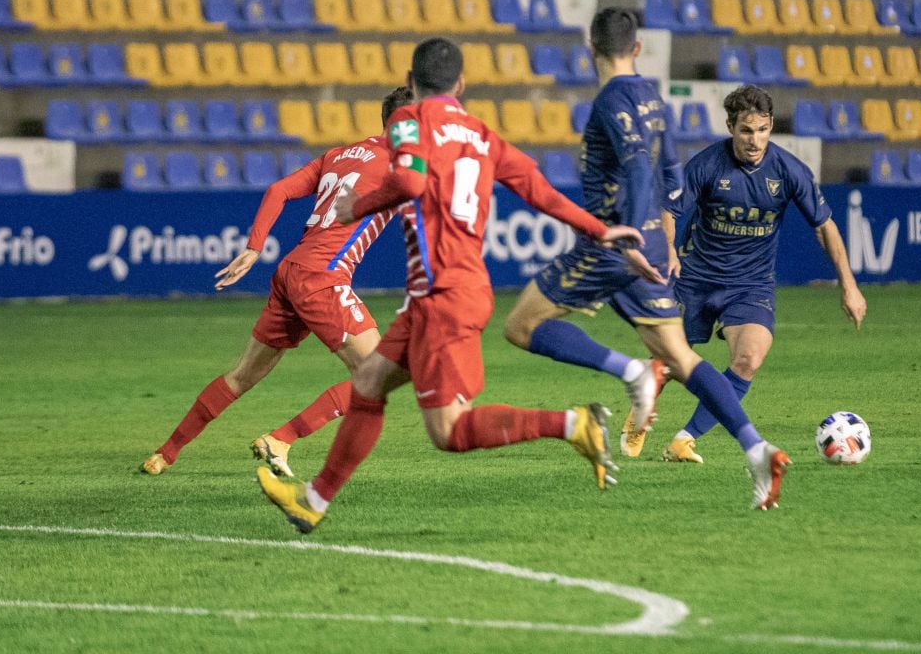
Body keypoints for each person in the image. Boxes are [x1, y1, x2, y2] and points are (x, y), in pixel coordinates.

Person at [256, 37, 645, 534]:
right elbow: (538, 190)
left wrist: (360, 203)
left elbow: (412, 182)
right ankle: (312, 499)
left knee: (449, 431)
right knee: (368, 382)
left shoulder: (406, 120)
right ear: (461, 85)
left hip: (444, 296)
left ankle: (575, 424)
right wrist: (599, 229)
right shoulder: (482, 135)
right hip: (446, 293)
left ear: (412, 82)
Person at [502, 8, 790, 510]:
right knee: (680, 358)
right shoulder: (654, 97)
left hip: (615, 242)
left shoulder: (611, 100)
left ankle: (631, 371)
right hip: (650, 241)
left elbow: (638, 167)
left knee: (521, 326)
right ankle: (756, 449)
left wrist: (628, 240)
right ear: (637, 49)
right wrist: (653, 235)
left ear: (590, 48)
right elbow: (673, 175)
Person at [140, 86, 414, 476]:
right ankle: (280, 439)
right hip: (323, 276)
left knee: (242, 375)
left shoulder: (339, 154)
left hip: (291, 271)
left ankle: (165, 454)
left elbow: (278, 190)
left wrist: (254, 247)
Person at [650, 84, 866, 465]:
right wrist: (667, 248)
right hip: (697, 278)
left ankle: (684, 440)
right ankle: (640, 413)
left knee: (748, 359)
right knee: (667, 365)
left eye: (763, 129)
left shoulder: (788, 170)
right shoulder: (706, 165)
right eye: (747, 130)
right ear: (731, 126)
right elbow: (670, 210)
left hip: (751, 284)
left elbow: (825, 225)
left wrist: (849, 287)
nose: (755, 140)